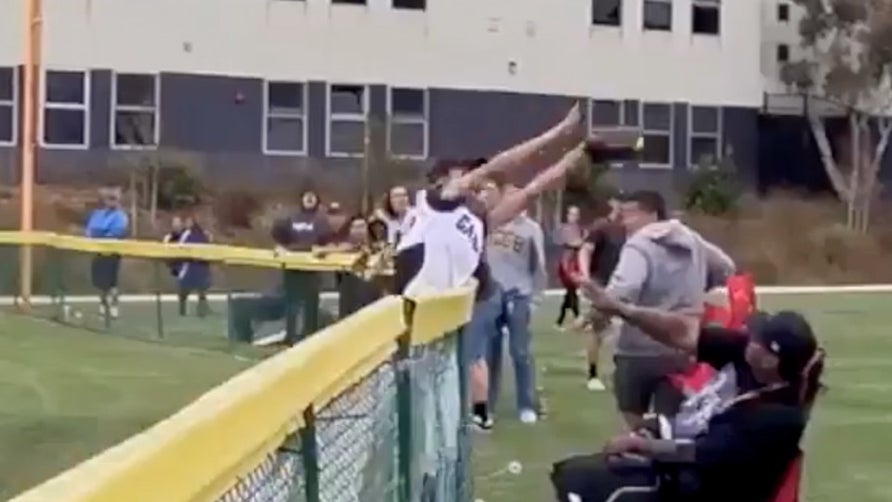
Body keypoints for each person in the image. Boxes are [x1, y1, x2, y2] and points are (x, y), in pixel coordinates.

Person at [551, 281, 826, 502]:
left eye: (758, 340)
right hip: (685, 470)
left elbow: (700, 453)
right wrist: (622, 309)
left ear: (770, 360)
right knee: (572, 474)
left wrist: (643, 444)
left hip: (708, 487)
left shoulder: (778, 417)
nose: (748, 338)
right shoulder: (746, 355)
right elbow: (683, 333)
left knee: (588, 486)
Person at [606, 191, 735, 428]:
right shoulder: (693, 239)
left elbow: (625, 288)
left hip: (637, 349)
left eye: (630, 214)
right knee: (672, 425)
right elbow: (726, 266)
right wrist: (697, 287)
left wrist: (602, 310)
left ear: (653, 214)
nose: (624, 222)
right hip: (683, 346)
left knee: (634, 421)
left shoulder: (639, 243)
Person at [481, 180, 548, 425]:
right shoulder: (488, 223)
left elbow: (538, 265)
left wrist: (535, 297)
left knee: (520, 351)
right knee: (489, 352)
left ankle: (527, 404)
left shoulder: (530, 228)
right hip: (490, 295)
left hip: (518, 293)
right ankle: (486, 405)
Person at [575, 193, 624, 391]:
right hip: (601, 284)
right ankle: (593, 373)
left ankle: (621, 373)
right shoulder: (602, 227)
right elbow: (585, 250)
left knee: (624, 333)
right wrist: (586, 276)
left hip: (625, 287)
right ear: (613, 204)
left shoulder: (632, 230)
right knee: (597, 331)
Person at [84, 187, 129, 320]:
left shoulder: (120, 216)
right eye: (108, 199)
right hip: (98, 251)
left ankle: (114, 306)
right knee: (99, 282)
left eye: (113, 200)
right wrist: (98, 233)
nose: (111, 202)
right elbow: (90, 230)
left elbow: (116, 232)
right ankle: (103, 305)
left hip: (112, 252)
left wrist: (100, 233)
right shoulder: (98, 214)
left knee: (111, 282)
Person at [163, 214, 212, 317]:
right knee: (184, 290)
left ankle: (202, 310)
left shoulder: (198, 234)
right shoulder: (182, 235)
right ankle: (183, 310)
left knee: (200, 290)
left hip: (196, 266)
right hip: (189, 266)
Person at [555, 242, 582, 330]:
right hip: (570, 283)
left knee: (568, 303)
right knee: (573, 302)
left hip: (571, 283)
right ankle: (578, 320)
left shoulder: (571, 260)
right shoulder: (566, 260)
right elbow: (563, 272)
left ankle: (559, 323)